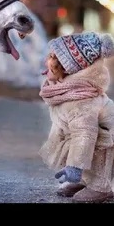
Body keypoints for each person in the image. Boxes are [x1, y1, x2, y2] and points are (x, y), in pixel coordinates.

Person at [39, 32, 114, 203]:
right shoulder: (68, 89)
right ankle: (86, 178)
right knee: (73, 140)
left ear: (67, 68)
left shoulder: (82, 99)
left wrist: (74, 166)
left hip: (108, 139)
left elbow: (84, 134)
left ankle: (103, 185)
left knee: (95, 140)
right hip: (91, 135)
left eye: (52, 59)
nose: (46, 61)